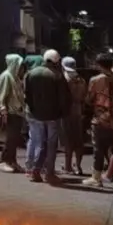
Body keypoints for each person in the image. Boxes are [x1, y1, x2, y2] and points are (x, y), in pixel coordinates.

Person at [23, 49, 69, 185]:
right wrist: (63, 113)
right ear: (56, 61)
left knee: (40, 144)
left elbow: (26, 95)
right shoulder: (57, 75)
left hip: (36, 115)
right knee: (51, 145)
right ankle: (49, 174)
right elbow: (64, 98)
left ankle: (35, 171)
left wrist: (33, 109)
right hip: (52, 116)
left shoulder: (31, 73)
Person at [83, 53, 113, 189]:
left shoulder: (95, 80)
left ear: (99, 65)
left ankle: (96, 177)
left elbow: (89, 99)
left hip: (100, 119)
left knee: (99, 149)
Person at [0, 53, 26, 173]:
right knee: (10, 138)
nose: (22, 67)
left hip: (18, 112)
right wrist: (3, 109)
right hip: (10, 112)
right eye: (20, 64)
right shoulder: (6, 76)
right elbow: (2, 94)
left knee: (14, 139)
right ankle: (4, 161)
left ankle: (12, 161)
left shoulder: (15, 77)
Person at [60, 56, 87, 175]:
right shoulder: (81, 80)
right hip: (78, 111)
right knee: (78, 140)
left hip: (66, 112)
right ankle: (78, 166)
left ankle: (68, 166)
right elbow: (84, 97)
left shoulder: (64, 80)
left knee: (68, 140)